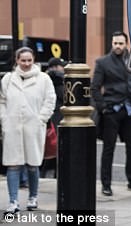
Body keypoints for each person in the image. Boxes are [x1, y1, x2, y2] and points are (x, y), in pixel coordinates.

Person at [0, 47, 56, 214]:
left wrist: (41, 119)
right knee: (13, 165)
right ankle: (13, 202)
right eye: (23, 60)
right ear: (17, 60)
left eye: (29, 60)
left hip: (34, 127)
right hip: (12, 127)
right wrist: (4, 119)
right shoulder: (8, 79)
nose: (26, 64)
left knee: (33, 165)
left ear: (33, 60)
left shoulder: (44, 79)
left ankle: (33, 197)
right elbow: (2, 101)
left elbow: (50, 100)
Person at [92, 31, 131, 196]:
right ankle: (106, 184)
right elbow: (95, 87)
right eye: (115, 43)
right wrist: (102, 107)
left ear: (126, 44)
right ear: (112, 43)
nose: (118, 46)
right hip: (112, 110)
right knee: (109, 149)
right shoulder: (102, 62)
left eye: (121, 43)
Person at [40, 57, 65, 179]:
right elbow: (62, 95)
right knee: (55, 150)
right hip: (55, 118)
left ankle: (47, 175)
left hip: (53, 117)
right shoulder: (56, 79)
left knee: (51, 151)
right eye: (61, 66)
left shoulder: (45, 78)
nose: (63, 68)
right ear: (55, 67)